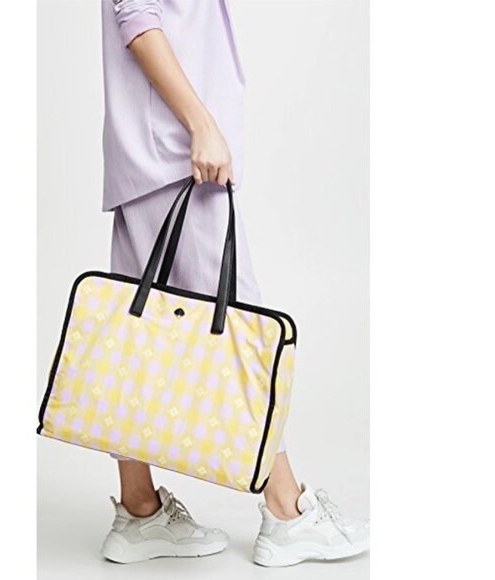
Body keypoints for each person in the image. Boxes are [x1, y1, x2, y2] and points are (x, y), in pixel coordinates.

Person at [98, 0, 369, 567]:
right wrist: (201, 125)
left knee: (136, 338)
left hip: (148, 152)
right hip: (176, 153)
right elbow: (138, 17)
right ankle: (287, 513)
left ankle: (140, 512)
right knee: (241, 335)